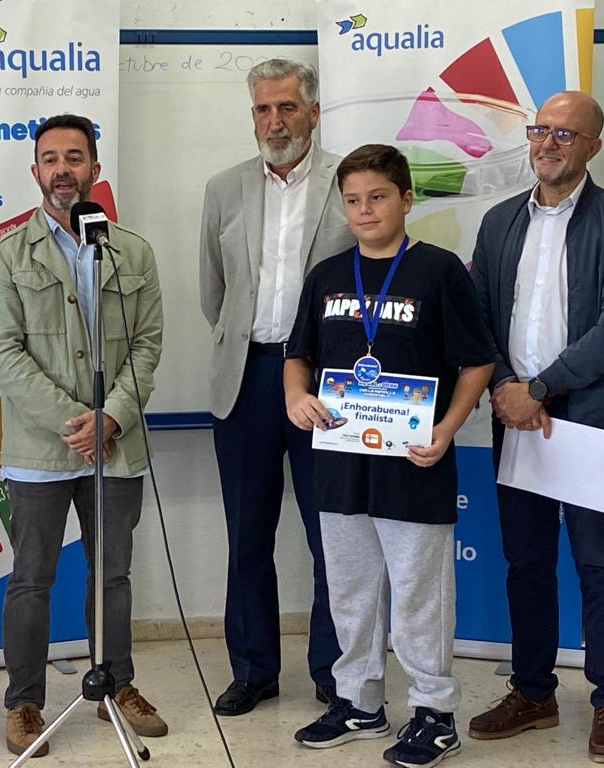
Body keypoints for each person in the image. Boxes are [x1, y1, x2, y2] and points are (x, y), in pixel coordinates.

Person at [286, 144, 494, 768]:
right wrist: (296, 396)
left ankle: (434, 713)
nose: (365, 210)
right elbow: (299, 355)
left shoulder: (439, 271)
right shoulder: (327, 275)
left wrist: (447, 429)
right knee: (350, 592)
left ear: (406, 198)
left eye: (377, 197)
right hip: (341, 463)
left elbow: (477, 360)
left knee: (419, 595)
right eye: (352, 200)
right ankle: (358, 700)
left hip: (414, 463)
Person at [467, 91, 604, 764]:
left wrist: (539, 390)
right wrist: (505, 387)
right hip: (516, 417)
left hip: (587, 422)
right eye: (540, 130)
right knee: (526, 563)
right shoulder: (498, 222)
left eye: (566, 134)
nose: (548, 143)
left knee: (599, 566)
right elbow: (478, 319)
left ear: (593, 146)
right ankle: (532, 693)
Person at [0, 114, 166, 758]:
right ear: (36, 171)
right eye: (51, 159)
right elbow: (4, 355)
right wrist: (75, 422)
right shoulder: (8, 256)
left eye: (75, 157)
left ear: (94, 168)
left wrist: (112, 416)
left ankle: (117, 684)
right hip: (40, 450)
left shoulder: (131, 252)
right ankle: (23, 702)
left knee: (112, 575)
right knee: (31, 578)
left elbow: (147, 345)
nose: (63, 170)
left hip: (117, 444)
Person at [199, 57, 354, 717]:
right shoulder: (223, 188)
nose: (275, 121)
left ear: (313, 112)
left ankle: (333, 669)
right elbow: (214, 292)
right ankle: (254, 669)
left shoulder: (349, 182)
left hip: (330, 384)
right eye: (263, 109)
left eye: (287, 107)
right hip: (248, 377)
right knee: (248, 535)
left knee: (332, 537)